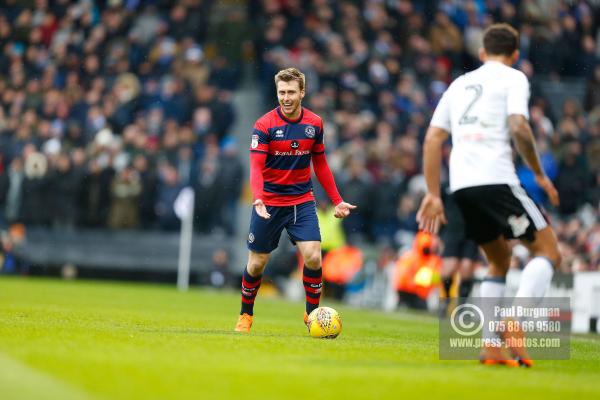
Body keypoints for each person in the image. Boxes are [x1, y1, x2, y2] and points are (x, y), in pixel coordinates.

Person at [416, 24, 562, 367]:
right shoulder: (514, 78)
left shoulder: (459, 84)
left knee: (498, 261)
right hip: (497, 179)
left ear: (482, 53)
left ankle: (490, 347)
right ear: (515, 54)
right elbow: (519, 126)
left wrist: (434, 194)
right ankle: (516, 322)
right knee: (549, 251)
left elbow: (432, 140)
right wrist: (539, 173)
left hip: (463, 188)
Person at [235, 68, 356, 333]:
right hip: (268, 203)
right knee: (257, 264)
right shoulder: (264, 125)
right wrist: (258, 198)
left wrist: (337, 200)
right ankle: (246, 314)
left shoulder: (315, 124)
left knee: (313, 256)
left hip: (301, 201)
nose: (286, 97)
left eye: (291, 92)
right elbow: (255, 167)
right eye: (281, 92)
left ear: (302, 92)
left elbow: (321, 165)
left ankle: (313, 316)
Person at [438, 183, 481, 317]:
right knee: (448, 269)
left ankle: (461, 307)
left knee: (467, 269)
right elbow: (439, 208)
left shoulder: (477, 182)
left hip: (472, 232)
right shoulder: (446, 185)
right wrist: (438, 234)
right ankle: (445, 301)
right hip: (451, 232)